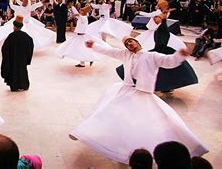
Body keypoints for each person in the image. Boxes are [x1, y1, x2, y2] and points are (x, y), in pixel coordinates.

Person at [69, 37, 208, 164]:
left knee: (154, 122)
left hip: (143, 94)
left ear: (138, 42)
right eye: (126, 43)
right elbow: (109, 51)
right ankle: (84, 133)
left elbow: (168, 61)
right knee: (107, 113)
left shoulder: (151, 56)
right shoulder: (125, 54)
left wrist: (180, 55)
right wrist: (94, 46)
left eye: (131, 41)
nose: (129, 44)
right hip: (127, 90)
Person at [117, 2, 198, 92]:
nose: (155, 19)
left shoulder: (162, 27)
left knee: (162, 68)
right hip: (159, 46)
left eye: (157, 18)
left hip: (161, 47)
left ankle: (165, 86)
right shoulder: (159, 22)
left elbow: (162, 37)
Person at [1, 15, 34, 91]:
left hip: (13, 60)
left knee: (14, 72)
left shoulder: (11, 36)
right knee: (23, 72)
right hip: (23, 60)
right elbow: (30, 47)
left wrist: (7, 58)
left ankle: (15, 86)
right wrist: (28, 59)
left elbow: (4, 49)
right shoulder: (27, 37)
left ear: (14, 26)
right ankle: (24, 85)